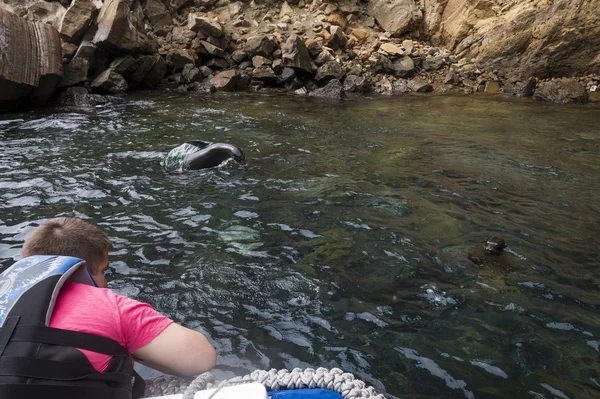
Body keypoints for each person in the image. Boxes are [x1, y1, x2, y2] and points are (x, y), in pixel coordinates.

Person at [0, 217, 216, 398]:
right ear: (83, 271)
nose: (105, 281)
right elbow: (201, 360)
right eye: (104, 271)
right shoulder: (111, 305)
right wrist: (130, 347)